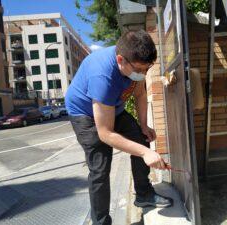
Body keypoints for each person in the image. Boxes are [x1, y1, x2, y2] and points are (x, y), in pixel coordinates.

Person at [65, 30, 172, 225]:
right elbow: (105, 133)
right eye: (139, 70)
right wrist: (145, 153)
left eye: (146, 70)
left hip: (113, 106)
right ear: (121, 60)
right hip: (85, 114)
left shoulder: (134, 64)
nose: (143, 75)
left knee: (141, 138)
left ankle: (144, 194)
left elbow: (139, 94)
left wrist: (144, 125)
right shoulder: (102, 76)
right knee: (100, 169)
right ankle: (101, 222)